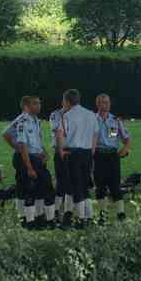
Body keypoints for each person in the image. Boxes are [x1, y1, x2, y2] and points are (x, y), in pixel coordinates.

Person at [2, 96, 56, 229]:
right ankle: (30, 222)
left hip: (36, 157)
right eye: (35, 103)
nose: (39, 105)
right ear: (27, 106)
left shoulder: (35, 121)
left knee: (42, 188)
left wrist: (43, 151)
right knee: (29, 189)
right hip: (27, 159)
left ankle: (41, 219)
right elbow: (20, 143)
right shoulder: (23, 121)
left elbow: (36, 140)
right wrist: (29, 166)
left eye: (39, 103)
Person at [59, 89, 98, 227]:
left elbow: (62, 134)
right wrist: (91, 151)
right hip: (87, 153)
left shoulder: (66, 116)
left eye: (63, 100)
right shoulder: (91, 114)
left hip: (73, 153)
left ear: (67, 101)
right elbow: (95, 134)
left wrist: (62, 150)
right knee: (83, 184)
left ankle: (81, 219)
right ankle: (84, 216)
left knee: (76, 186)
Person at [94, 94, 131, 222]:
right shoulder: (92, 120)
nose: (106, 105)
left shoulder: (115, 120)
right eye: (103, 102)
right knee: (100, 186)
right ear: (98, 104)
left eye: (108, 102)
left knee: (115, 185)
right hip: (98, 155)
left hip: (112, 156)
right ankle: (103, 214)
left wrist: (124, 150)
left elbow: (126, 139)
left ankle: (121, 214)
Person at [49, 104, 72, 217]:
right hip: (61, 151)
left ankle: (68, 211)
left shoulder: (79, 115)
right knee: (61, 182)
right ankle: (57, 210)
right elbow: (58, 131)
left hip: (74, 152)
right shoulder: (56, 114)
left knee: (72, 182)